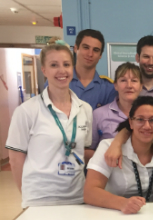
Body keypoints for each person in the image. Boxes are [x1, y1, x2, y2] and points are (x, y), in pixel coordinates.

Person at [6, 41, 92, 208]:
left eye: (66, 64)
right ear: (44, 70)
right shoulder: (26, 111)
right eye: (54, 65)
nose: (62, 71)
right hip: (40, 199)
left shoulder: (85, 109)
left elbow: (83, 151)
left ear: (72, 68)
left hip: (78, 196)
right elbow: (15, 160)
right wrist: (27, 196)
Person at [84, 97, 153, 214]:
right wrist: (122, 203)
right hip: (110, 214)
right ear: (130, 122)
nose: (147, 126)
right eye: (140, 119)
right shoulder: (108, 147)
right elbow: (89, 193)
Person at [44, 29, 117, 110]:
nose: (90, 54)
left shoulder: (108, 88)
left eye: (95, 50)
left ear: (100, 55)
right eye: (86, 47)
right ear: (76, 48)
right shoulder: (57, 81)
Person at [86, 62, 142, 161]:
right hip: (109, 173)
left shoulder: (149, 115)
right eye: (123, 80)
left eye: (134, 80)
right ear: (115, 85)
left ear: (141, 86)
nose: (129, 85)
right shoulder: (99, 114)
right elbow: (88, 150)